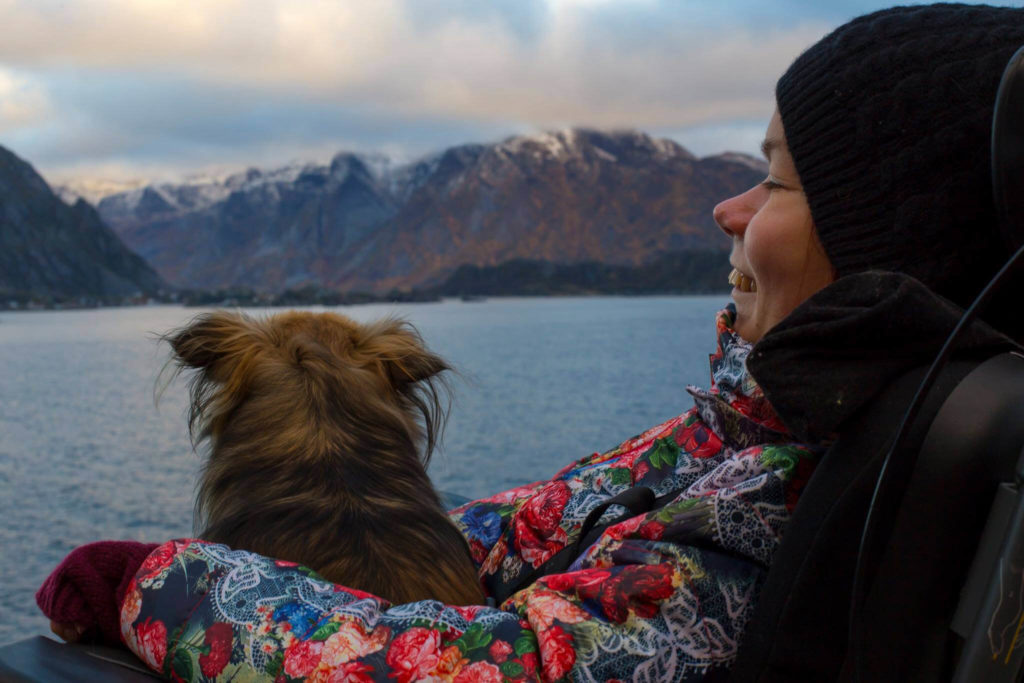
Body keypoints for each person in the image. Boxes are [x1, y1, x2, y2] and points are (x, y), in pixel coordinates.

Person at [36, 4, 1024, 681]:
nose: (728, 207)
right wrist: (349, 550)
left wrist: (160, 579)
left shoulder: (779, 501)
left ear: (877, 240)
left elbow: (502, 666)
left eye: (774, 180)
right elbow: (561, 515)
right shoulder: (768, 427)